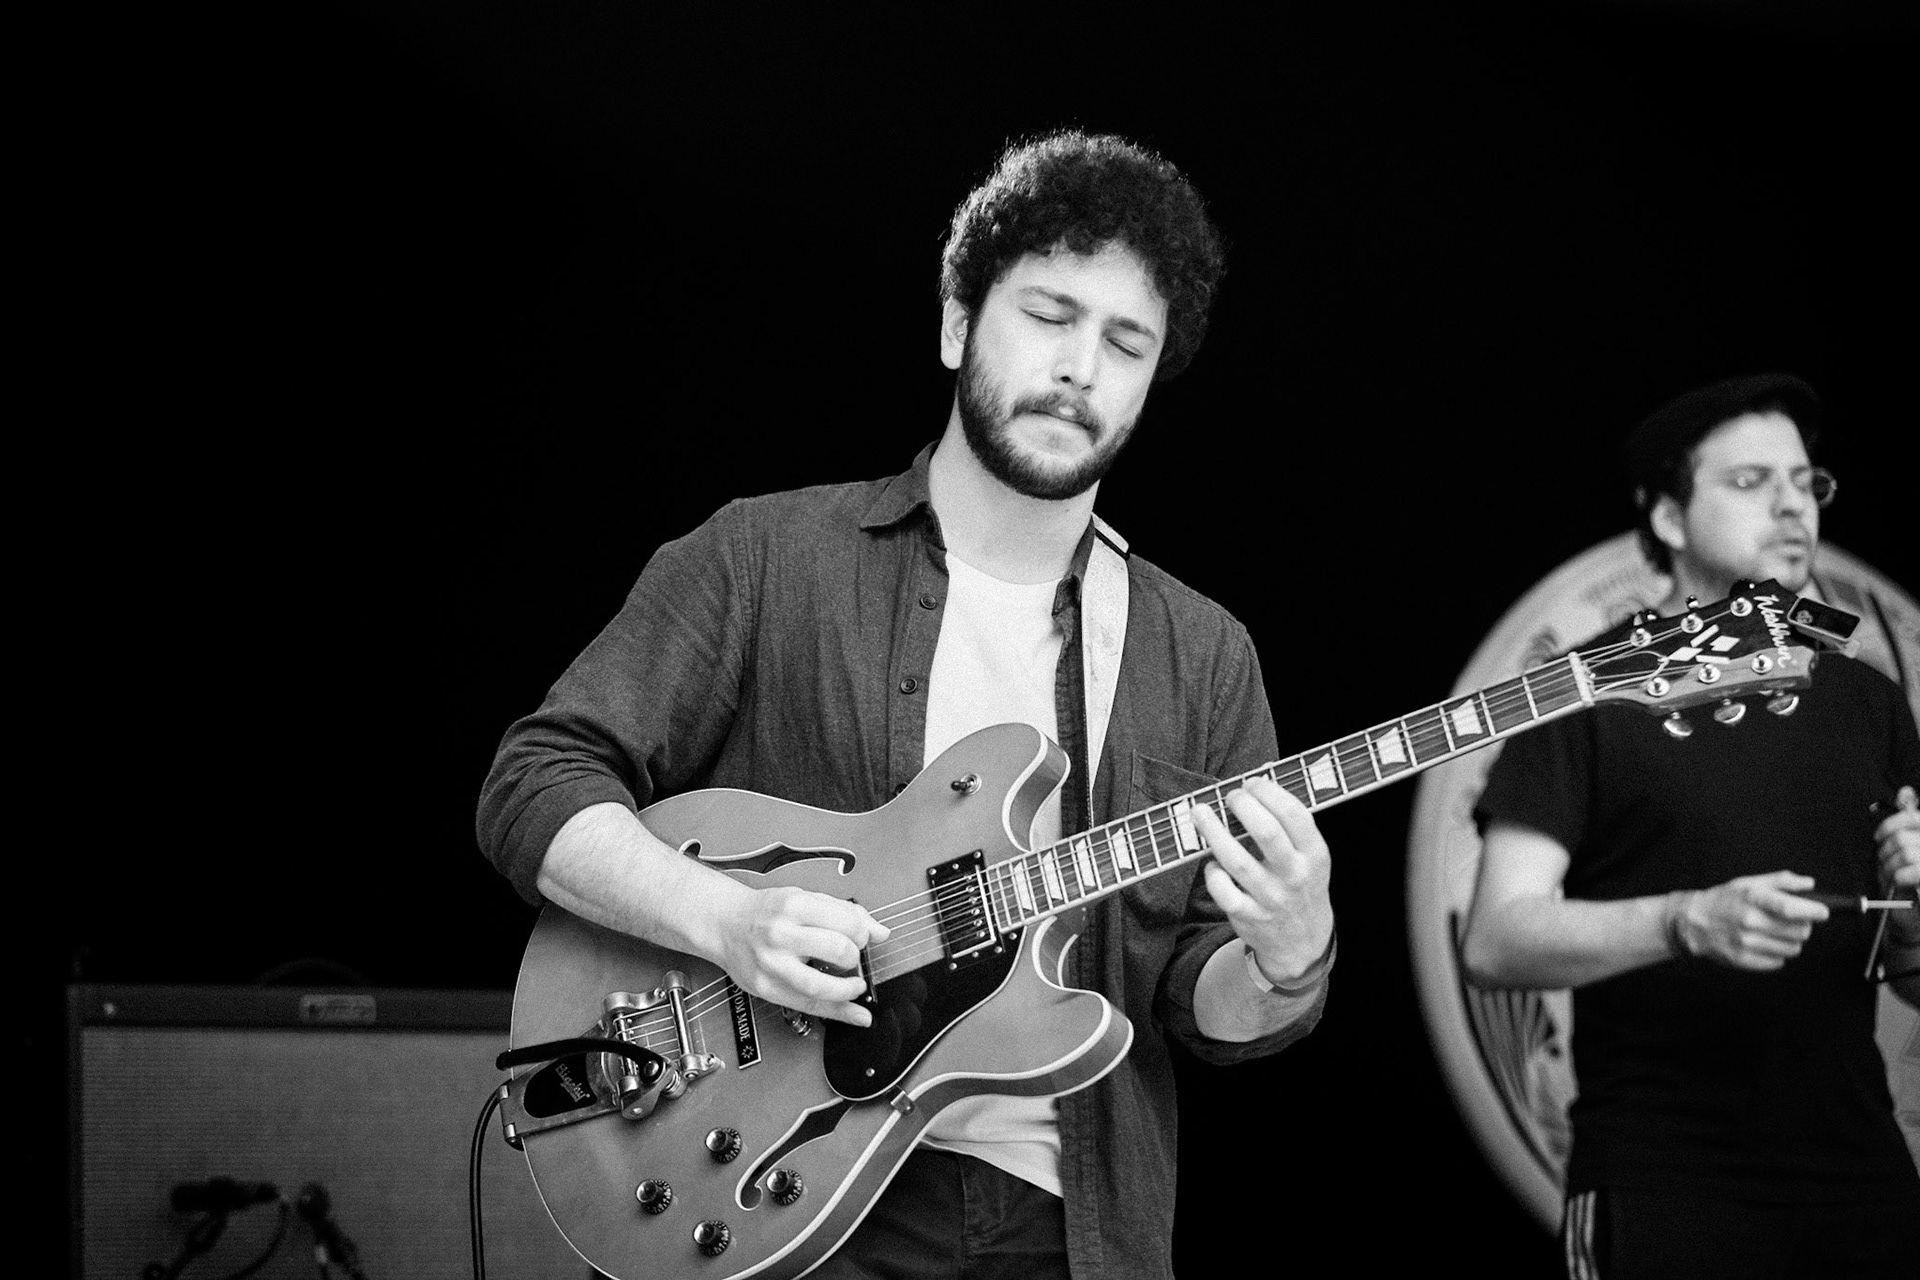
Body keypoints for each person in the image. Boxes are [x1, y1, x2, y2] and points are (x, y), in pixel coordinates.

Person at [476, 131, 1337, 1280]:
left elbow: (1200, 1002)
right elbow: (534, 782)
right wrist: (726, 920)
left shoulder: (1205, 653)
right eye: (1050, 313)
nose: (1083, 365)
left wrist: (1292, 953)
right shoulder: (763, 556)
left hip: (1065, 1229)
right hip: (780, 1196)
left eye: (1127, 341)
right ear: (956, 325)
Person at [1462, 372, 1920, 1279]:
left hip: (1863, 1186)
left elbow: (1908, 975)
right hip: (1663, 1185)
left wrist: (1914, 915)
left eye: (1806, 483)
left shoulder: (1870, 700)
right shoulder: (1581, 688)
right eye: (1751, 483)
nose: (1792, 507)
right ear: (1667, 517)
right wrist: (1685, 921)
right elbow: (1496, 940)